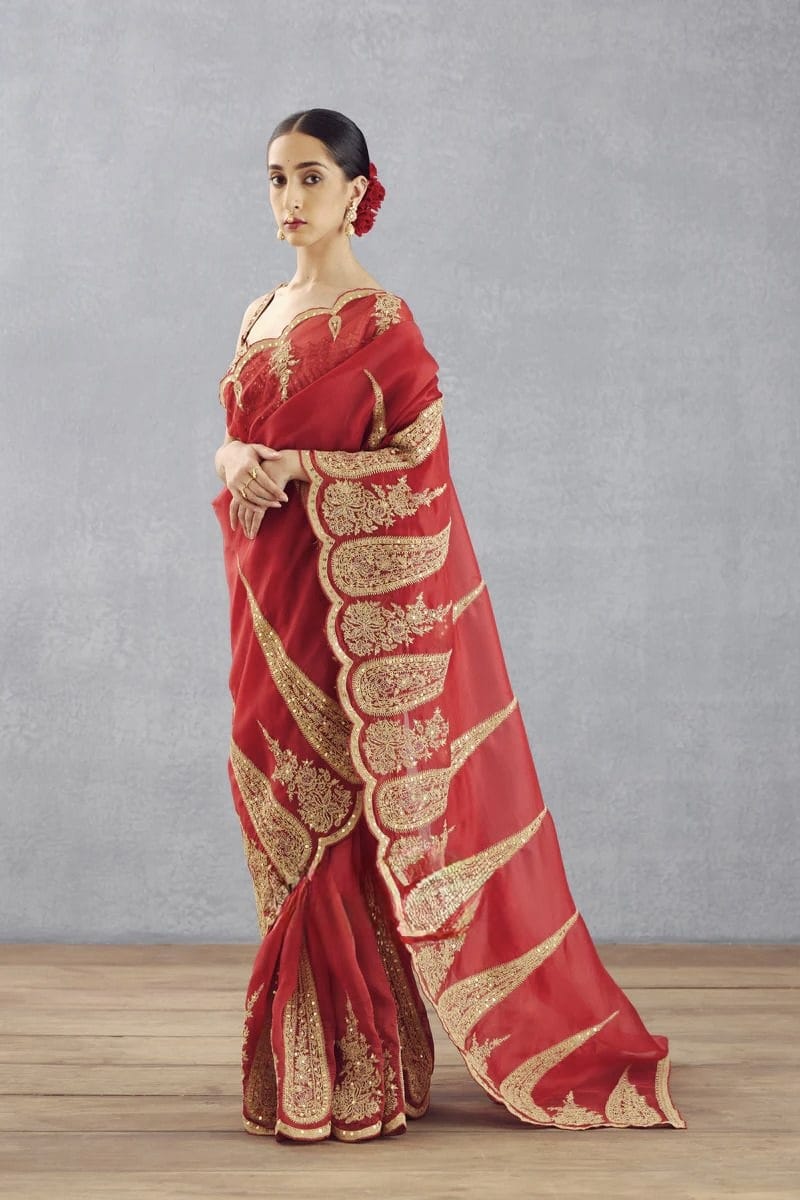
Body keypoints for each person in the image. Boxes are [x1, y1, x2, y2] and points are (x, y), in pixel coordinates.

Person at [211, 107, 687, 1143]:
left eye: (310, 178)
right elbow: (236, 439)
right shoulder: (258, 311)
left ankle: (365, 1073)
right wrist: (233, 460)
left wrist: (302, 468)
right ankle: (311, 1062)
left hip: (348, 612)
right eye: (276, 179)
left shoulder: (382, 323)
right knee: (274, 800)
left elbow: (418, 466)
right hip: (264, 592)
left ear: (357, 191)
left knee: (339, 812)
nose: (289, 198)